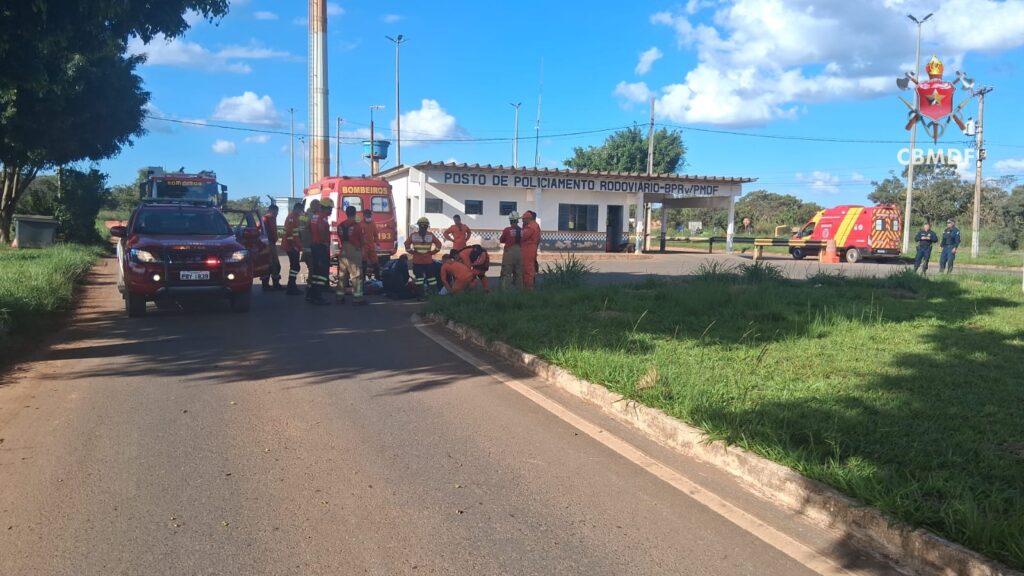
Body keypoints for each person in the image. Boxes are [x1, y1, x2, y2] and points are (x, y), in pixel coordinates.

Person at [404, 217, 442, 300]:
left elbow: (406, 244)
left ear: (419, 226)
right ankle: (435, 295)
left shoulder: (413, 236)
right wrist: (432, 252)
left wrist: (412, 252)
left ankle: (421, 296)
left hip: (417, 261)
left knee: (419, 279)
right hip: (428, 261)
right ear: (427, 226)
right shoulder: (430, 235)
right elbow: (439, 245)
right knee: (431, 278)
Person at [336, 205, 366, 305]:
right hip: (354, 250)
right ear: (355, 213)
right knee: (356, 274)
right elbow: (362, 240)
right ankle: (357, 298)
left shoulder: (340, 225)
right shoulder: (357, 226)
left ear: (346, 213)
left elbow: (340, 236)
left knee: (342, 274)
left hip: (343, 250)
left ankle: (339, 296)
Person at [306, 198, 332, 305]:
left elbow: (309, 228)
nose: (331, 211)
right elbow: (321, 229)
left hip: (314, 246)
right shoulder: (323, 217)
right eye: (330, 209)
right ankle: (318, 296)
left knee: (316, 272)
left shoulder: (314, 216)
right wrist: (324, 242)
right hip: (321, 246)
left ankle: (312, 295)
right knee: (322, 273)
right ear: (326, 208)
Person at [281, 202, 304, 295]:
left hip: (294, 245)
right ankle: (291, 286)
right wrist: (293, 246)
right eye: (301, 210)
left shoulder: (295, 217)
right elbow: (289, 234)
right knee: (295, 266)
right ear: (297, 209)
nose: (301, 212)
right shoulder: (291, 218)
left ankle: (292, 285)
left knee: (295, 266)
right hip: (291, 246)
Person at [300, 198, 320, 298]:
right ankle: (310, 290)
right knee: (313, 269)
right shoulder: (313, 217)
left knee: (311, 269)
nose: (320, 208)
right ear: (315, 206)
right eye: (319, 206)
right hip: (311, 246)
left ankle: (310, 288)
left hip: (305, 246)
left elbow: (301, 229)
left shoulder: (303, 216)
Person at [260, 204, 282, 291]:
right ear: (272, 211)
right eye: (276, 212)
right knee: (273, 265)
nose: (277, 214)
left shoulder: (272, 219)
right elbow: (263, 232)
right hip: (268, 244)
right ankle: (267, 284)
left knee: (274, 265)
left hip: (272, 243)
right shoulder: (266, 219)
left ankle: (274, 283)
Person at [499, 211, 523, 289]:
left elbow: (502, 240)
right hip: (520, 252)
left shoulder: (507, 230)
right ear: (517, 221)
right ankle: (519, 290)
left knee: (506, 272)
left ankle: (505, 291)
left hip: (509, 252)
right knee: (519, 272)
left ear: (510, 221)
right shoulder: (522, 230)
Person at [521, 210, 541, 290]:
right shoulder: (534, 225)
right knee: (528, 267)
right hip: (530, 248)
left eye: (523, 219)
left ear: (528, 219)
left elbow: (523, 236)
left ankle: (529, 287)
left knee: (527, 268)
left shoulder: (531, 226)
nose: (522, 221)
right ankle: (528, 286)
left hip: (528, 249)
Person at [361, 209, 380, 281]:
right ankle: (362, 280)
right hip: (363, 247)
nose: (369, 216)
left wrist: (378, 244)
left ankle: (378, 279)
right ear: (364, 215)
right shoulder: (360, 224)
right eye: (367, 215)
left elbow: (375, 235)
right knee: (363, 264)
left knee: (376, 263)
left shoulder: (372, 223)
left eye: (370, 215)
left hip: (371, 246)